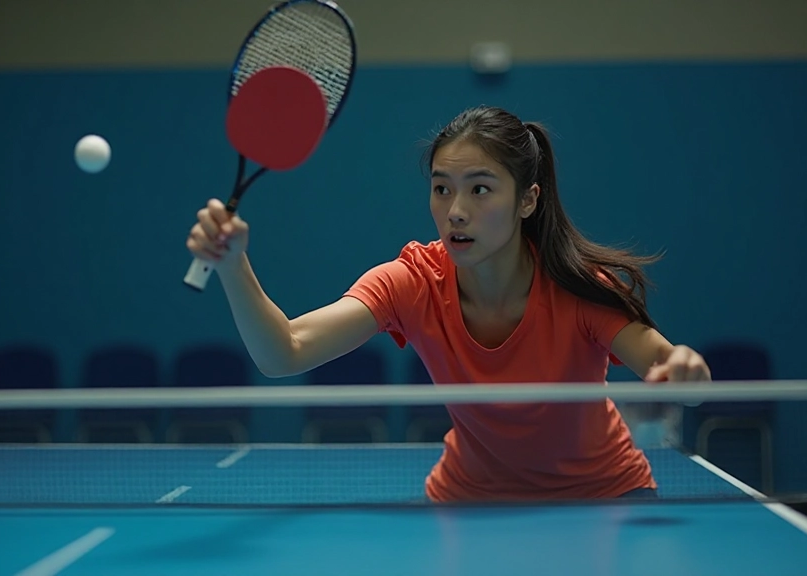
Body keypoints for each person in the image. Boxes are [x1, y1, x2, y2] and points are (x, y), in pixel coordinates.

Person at [185, 105, 711, 502]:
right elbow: (285, 353)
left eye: (480, 190)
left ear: (527, 200)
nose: (455, 210)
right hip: (468, 503)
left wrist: (684, 371)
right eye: (441, 189)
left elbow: (671, 370)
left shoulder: (578, 288)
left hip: (603, 498)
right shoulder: (412, 283)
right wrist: (234, 266)